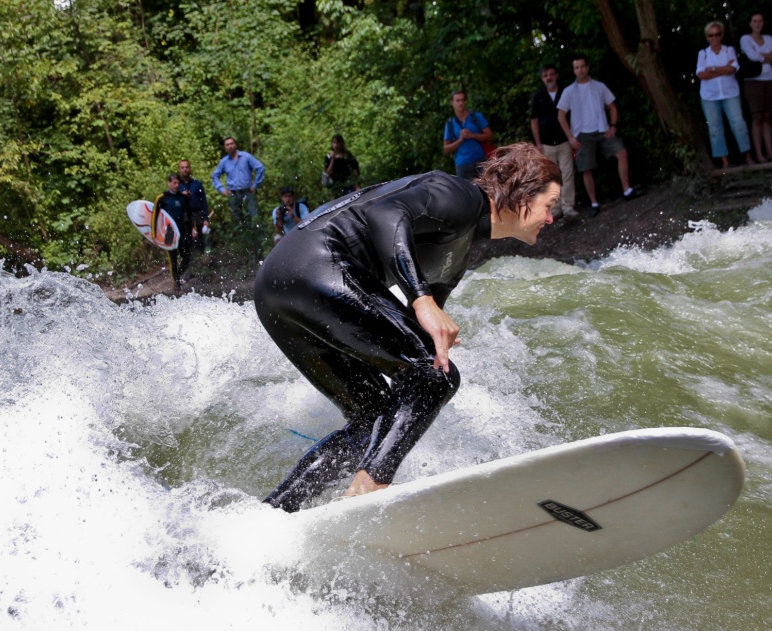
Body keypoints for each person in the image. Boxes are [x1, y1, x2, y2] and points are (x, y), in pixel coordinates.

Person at [255, 143, 562, 512]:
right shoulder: (461, 195)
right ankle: (367, 491)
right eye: (550, 206)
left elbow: (414, 351)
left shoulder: (458, 249)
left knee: (374, 420)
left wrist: (428, 315)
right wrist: (421, 299)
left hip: (278, 285)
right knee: (437, 376)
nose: (550, 219)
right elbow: (386, 212)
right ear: (522, 194)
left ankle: (271, 516)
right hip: (316, 263)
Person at [556, 56, 644, 218]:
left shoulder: (599, 87)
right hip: (582, 134)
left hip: (603, 130)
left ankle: (627, 189)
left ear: (587, 68)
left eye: (582, 66)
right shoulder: (569, 91)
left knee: (621, 153)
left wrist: (613, 125)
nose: (580, 70)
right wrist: (570, 137)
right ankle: (594, 203)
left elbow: (612, 107)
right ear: (573, 70)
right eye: (577, 67)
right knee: (586, 168)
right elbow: (561, 115)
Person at [696, 23, 756, 168]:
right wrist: (724, 69)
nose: (715, 38)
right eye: (711, 35)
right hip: (710, 96)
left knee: (739, 124)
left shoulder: (729, 50)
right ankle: (725, 162)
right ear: (707, 37)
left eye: (717, 34)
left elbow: (733, 69)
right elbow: (701, 74)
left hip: (730, 93)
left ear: (722, 35)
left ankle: (748, 156)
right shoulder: (703, 53)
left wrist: (714, 69)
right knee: (715, 128)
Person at [530, 64, 578, 220]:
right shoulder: (539, 96)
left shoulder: (566, 92)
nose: (549, 78)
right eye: (545, 75)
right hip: (546, 144)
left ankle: (568, 206)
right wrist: (538, 143)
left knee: (567, 174)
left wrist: (573, 136)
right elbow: (534, 121)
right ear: (542, 78)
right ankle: (556, 209)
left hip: (565, 141)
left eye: (551, 74)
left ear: (556, 75)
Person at [211, 137, 266, 256]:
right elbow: (215, 176)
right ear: (225, 147)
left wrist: (255, 185)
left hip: (248, 192)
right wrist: (222, 189)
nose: (230, 146)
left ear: (235, 144)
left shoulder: (245, 157)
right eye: (227, 144)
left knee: (254, 217)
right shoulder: (224, 162)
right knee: (237, 220)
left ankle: (259, 246)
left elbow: (260, 168)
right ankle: (241, 249)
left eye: (231, 143)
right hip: (233, 194)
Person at [740, 13, 772, 163]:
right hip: (753, 81)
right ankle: (759, 154)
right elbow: (752, 56)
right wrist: (767, 55)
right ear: (750, 23)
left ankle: (770, 152)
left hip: (770, 79)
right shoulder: (745, 39)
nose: (758, 24)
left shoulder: (769, 39)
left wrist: (762, 55)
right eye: (755, 21)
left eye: (760, 21)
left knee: (768, 116)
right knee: (757, 116)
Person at [443, 90, 493, 180]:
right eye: (458, 101)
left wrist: (472, 135)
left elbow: (490, 136)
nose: (461, 103)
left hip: (481, 160)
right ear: (452, 103)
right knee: (466, 193)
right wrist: (460, 140)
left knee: (487, 190)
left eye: (463, 100)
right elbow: (446, 149)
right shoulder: (450, 123)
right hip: (462, 164)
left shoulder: (476, 116)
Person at [151, 174, 189, 287]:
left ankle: (178, 274)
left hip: (181, 231)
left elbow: (188, 215)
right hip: (169, 232)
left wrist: (193, 228)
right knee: (173, 259)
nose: (176, 185)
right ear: (169, 183)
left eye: (178, 183)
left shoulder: (183, 198)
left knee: (186, 257)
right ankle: (177, 285)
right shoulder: (162, 198)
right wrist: (154, 234)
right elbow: (154, 217)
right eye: (174, 183)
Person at [178, 159, 209, 254]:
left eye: (186, 167)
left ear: (190, 168)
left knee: (201, 237)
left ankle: (203, 257)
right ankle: (190, 260)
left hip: (197, 213)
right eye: (182, 167)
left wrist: (206, 218)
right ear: (179, 169)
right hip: (184, 215)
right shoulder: (176, 185)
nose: (185, 169)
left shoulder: (197, 184)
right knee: (187, 239)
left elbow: (203, 201)